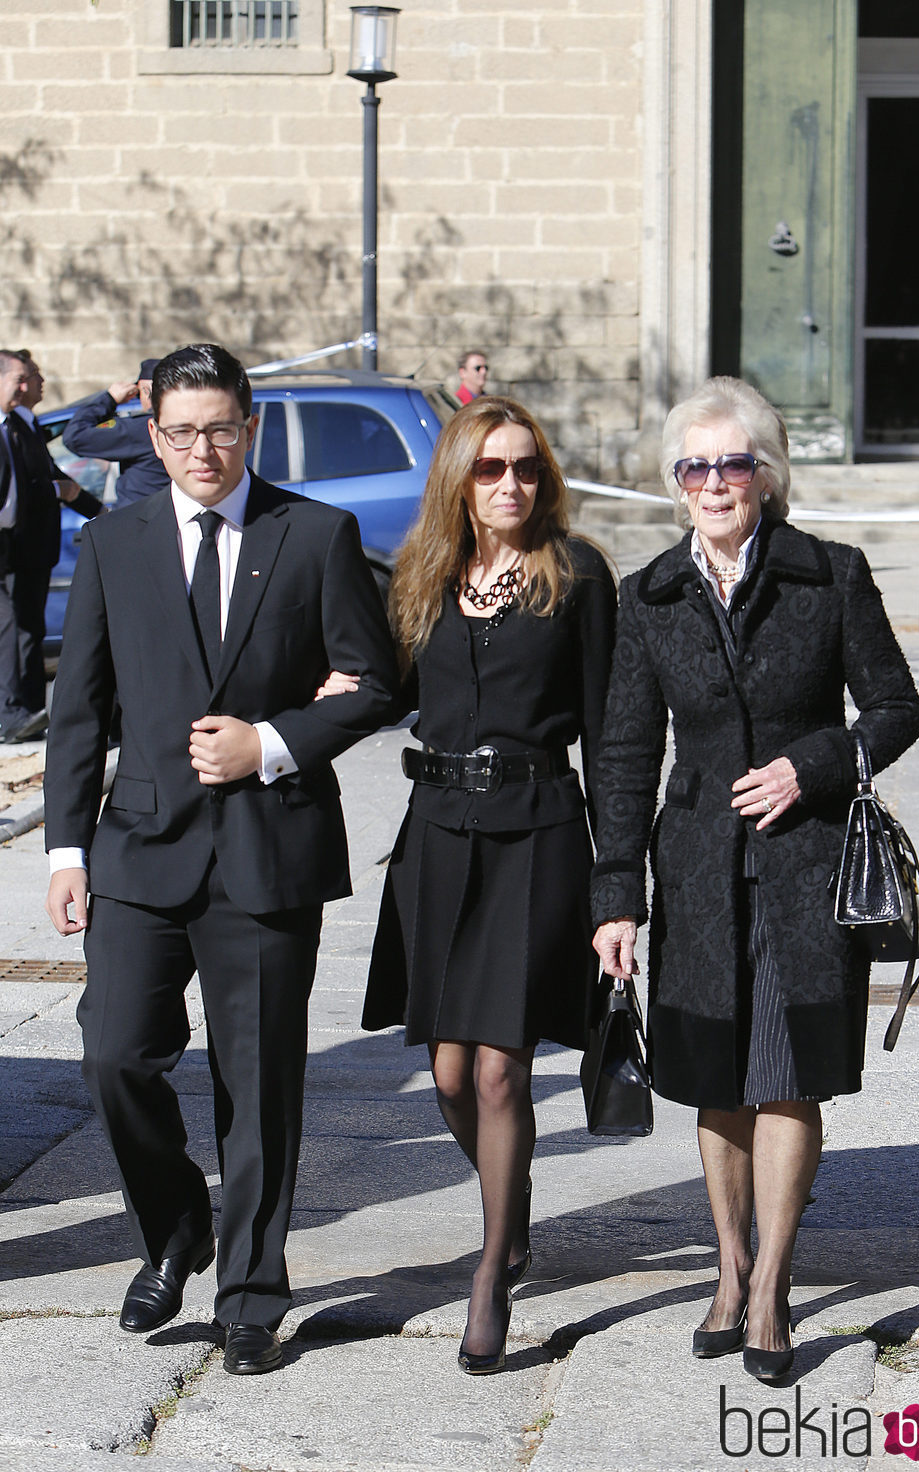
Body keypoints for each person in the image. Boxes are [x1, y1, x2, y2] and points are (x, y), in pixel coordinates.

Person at [43, 343, 398, 1375]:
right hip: (138, 849)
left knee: (259, 1083)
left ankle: (250, 1290)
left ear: (249, 425)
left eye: (221, 427)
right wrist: (67, 848)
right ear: (152, 434)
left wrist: (271, 741)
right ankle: (176, 1226)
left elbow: (374, 680)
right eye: (182, 429)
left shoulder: (315, 534)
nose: (203, 447)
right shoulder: (114, 542)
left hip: (264, 850)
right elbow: (79, 714)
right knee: (113, 1052)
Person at [591, 377, 919, 1384]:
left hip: (804, 867)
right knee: (714, 1088)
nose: (712, 482)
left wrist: (810, 764)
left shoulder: (830, 576)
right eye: (692, 466)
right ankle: (726, 1268)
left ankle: (772, 1285)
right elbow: (619, 753)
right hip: (692, 870)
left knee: (784, 1079)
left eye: (730, 462)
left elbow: (894, 708)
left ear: (766, 473)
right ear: (675, 481)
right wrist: (615, 897)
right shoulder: (646, 593)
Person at [322, 396, 616, 1375]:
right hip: (437, 838)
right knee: (448, 1074)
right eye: (489, 468)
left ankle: (493, 1266)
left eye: (525, 467)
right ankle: (512, 1198)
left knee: (498, 1066)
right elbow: (384, 688)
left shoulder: (575, 576)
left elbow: (612, 734)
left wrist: (620, 878)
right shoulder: (423, 574)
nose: (510, 485)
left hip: (537, 832)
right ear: (457, 475)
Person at [0, 348, 75, 744]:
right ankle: (12, 715)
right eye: (22, 377)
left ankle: (21, 713)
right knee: (11, 628)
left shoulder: (18, 426)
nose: (31, 384)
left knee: (22, 629)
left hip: (17, 547)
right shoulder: (9, 427)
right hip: (12, 547)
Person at [62, 357, 172, 506]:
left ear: (146, 391)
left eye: (140, 394)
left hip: (138, 519)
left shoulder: (139, 428)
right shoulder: (182, 426)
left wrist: (110, 399)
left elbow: (75, 437)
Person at [15, 351, 105, 521]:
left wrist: (98, 511)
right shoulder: (9, 428)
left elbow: (52, 473)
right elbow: (18, 486)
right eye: (34, 374)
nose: (41, 380)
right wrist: (56, 490)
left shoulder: (29, 423)